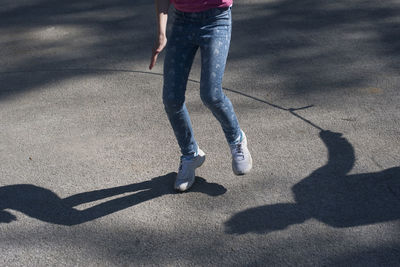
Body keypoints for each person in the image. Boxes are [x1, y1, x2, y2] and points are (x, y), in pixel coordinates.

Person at [149, 0, 252, 192]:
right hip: (181, 22)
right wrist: (161, 33)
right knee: (171, 99)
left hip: (216, 19)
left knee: (211, 94)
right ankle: (191, 155)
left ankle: (236, 139)